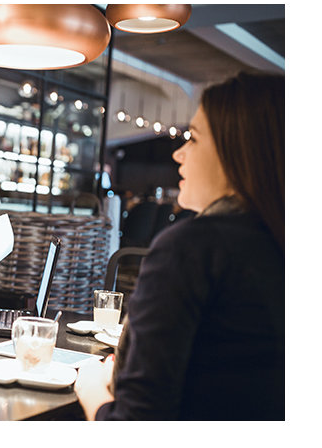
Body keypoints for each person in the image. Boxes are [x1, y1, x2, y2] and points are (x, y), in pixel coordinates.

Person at [74, 72, 284, 420]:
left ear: (239, 152)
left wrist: (92, 388)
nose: (178, 154)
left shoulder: (191, 248)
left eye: (194, 139)